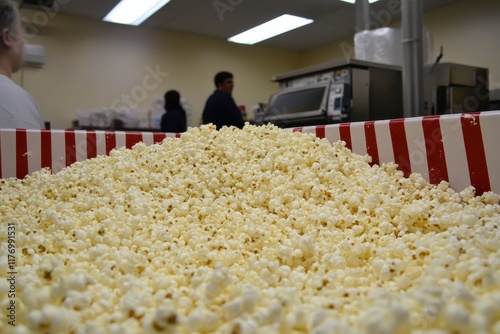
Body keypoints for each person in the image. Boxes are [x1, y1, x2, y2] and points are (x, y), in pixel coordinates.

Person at [0, 0, 44, 129]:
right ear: (7, 37)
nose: (24, 41)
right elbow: (31, 149)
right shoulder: (16, 102)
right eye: (21, 32)